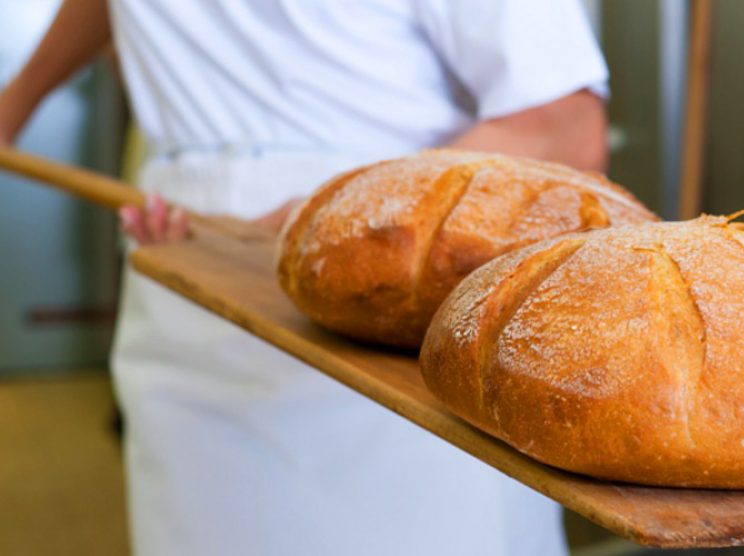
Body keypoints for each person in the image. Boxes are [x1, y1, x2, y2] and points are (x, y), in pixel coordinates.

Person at [0, 1, 609, 554]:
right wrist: (14, 102)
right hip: (180, 274)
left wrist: (338, 214)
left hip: (388, 289)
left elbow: (562, 126)